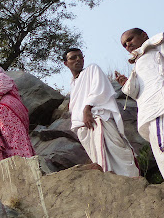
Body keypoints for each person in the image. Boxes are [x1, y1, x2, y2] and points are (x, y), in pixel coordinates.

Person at [64, 48, 138, 176]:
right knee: (98, 160)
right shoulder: (73, 83)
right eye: (73, 57)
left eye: (80, 57)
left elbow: (99, 90)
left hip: (97, 119)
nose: (78, 60)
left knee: (120, 152)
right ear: (66, 63)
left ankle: (132, 182)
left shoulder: (92, 69)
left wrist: (87, 110)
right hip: (83, 127)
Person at [115, 28, 164, 175]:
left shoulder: (157, 44)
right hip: (150, 113)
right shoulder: (138, 63)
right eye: (124, 44)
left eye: (130, 39)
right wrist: (126, 84)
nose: (128, 45)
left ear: (144, 35)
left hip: (159, 108)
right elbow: (137, 92)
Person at [0, 66, 35, 161]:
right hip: (13, 110)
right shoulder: (5, 78)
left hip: (6, 110)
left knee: (11, 138)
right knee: (18, 137)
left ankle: (19, 160)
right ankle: (25, 157)